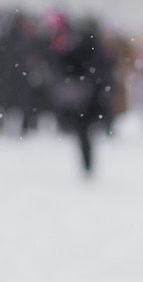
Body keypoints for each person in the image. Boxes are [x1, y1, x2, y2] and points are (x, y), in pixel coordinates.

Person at [54, 15, 118, 178]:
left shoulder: (77, 47)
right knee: (86, 134)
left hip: (82, 97)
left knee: (83, 133)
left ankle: (87, 164)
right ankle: (88, 164)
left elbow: (65, 66)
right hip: (91, 96)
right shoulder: (100, 49)